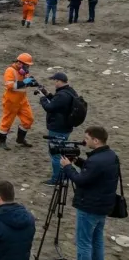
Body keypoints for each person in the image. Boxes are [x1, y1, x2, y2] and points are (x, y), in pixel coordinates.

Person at [60, 126, 119, 260]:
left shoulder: (96, 160)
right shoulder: (111, 155)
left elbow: (80, 180)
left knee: (83, 243)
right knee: (97, 239)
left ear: (96, 140)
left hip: (90, 206)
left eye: (87, 138)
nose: (84, 141)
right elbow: (94, 172)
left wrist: (67, 167)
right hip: (103, 205)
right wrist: (78, 161)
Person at [38, 72, 78, 186]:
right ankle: (64, 174)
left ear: (59, 81)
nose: (54, 83)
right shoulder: (70, 91)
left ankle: (56, 179)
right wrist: (47, 94)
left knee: (55, 153)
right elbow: (57, 103)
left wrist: (42, 98)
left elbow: (50, 107)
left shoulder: (62, 95)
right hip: (66, 127)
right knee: (62, 151)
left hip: (58, 128)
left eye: (55, 81)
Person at [0, 53, 36, 151]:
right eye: (26, 65)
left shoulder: (24, 72)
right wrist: (24, 82)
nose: (28, 67)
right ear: (19, 63)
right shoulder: (10, 70)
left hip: (22, 100)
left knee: (29, 119)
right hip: (11, 101)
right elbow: (10, 86)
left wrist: (32, 82)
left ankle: (20, 139)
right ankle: (2, 142)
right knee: (7, 122)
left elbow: (25, 84)